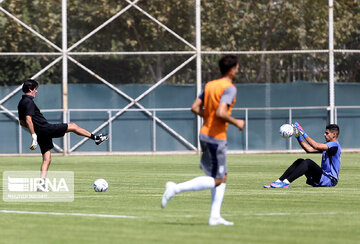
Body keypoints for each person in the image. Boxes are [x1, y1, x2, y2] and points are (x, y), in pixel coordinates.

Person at [161, 55, 245, 226]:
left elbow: (194, 108)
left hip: (206, 133)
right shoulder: (229, 88)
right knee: (218, 179)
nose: (238, 70)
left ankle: (215, 217)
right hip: (215, 137)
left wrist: (208, 117)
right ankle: (175, 188)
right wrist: (237, 122)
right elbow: (221, 113)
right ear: (232, 69)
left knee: (223, 176)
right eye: (237, 68)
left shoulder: (209, 85)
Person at [18, 79, 109, 188]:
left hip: (40, 132)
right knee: (73, 126)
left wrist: (35, 132)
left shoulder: (21, 103)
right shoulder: (28, 101)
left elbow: (22, 123)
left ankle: (41, 185)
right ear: (30, 89)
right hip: (45, 129)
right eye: (35, 89)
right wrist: (34, 136)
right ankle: (96, 138)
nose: (36, 91)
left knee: (47, 159)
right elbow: (28, 120)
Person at [264, 122, 341, 188]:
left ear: (334, 134)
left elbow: (316, 146)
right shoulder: (328, 145)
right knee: (300, 161)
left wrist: (303, 132)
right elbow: (309, 150)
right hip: (322, 176)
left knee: (308, 162)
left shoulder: (335, 145)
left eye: (327, 133)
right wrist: (298, 137)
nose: (324, 134)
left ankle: (286, 183)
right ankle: (279, 181)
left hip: (330, 179)